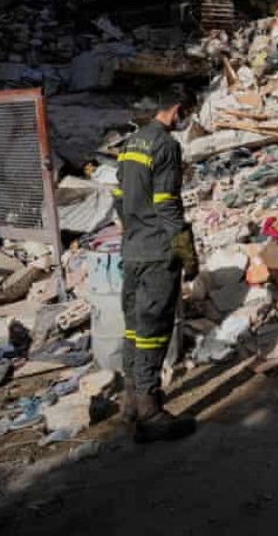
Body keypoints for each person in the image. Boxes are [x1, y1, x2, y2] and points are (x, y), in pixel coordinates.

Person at [115, 83, 201, 443]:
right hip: (156, 253)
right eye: (188, 114)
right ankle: (150, 413)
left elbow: (119, 198)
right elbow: (167, 204)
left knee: (135, 327)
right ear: (178, 110)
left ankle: (130, 403)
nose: (187, 121)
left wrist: (134, 230)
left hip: (133, 249)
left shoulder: (131, 143)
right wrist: (186, 251)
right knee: (153, 330)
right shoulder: (165, 145)